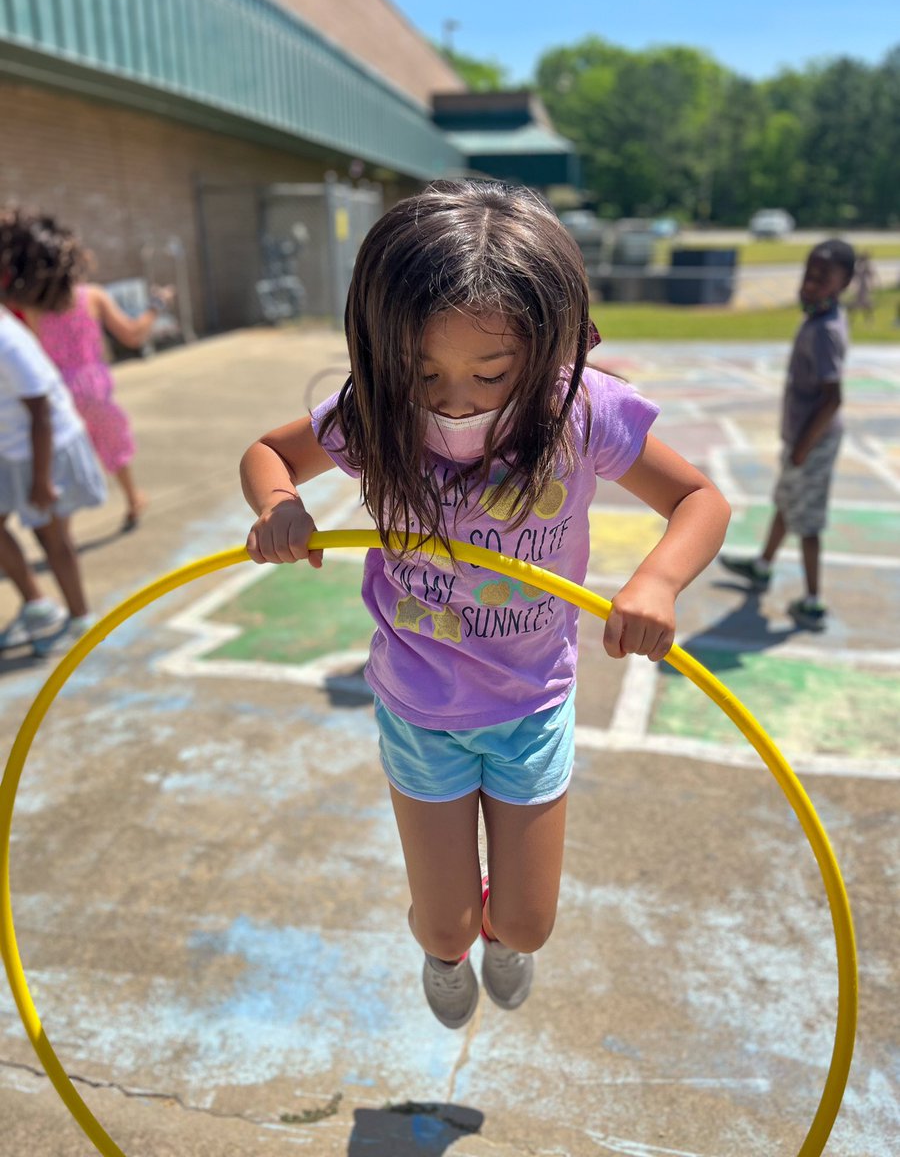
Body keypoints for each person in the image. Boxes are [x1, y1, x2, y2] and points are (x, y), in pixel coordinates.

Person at [240, 181, 731, 1030]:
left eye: (493, 373)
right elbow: (266, 453)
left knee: (528, 923)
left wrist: (654, 581)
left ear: (550, 353)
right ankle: (443, 948)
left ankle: (500, 939)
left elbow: (701, 501)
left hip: (530, 702)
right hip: (420, 703)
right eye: (422, 370)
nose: (455, 399)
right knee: (445, 919)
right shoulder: (375, 414)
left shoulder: (581, 414)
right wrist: (280, 507)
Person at [1, 208, 171, 531]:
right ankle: (133, 498)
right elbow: (132, 335)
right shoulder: (93, 296)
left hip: (55, 393)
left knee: (56, 459)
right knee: (114, 446)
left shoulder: (34, 307)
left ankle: (59, 525)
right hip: (93, 387)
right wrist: (156, 306)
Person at [720, 239, 856, 631]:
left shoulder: (825, 330)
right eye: (808, 273)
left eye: (822, 277)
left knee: (808, 521)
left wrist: (802, 448)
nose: (810, 283)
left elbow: (833, 398)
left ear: (842, 282)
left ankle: (812, 601)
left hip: (812, 443)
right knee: (785, 500)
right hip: (803, 439)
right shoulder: (819, 318)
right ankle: (763, 566)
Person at [0, 299, 106, 655]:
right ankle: (38, 606)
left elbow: (41, 410)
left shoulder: (5, 337)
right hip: (12, 446)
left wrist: (42, 479)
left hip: (46, 447)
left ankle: (81, 619)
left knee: (53, 537)